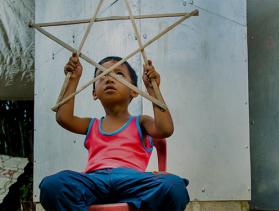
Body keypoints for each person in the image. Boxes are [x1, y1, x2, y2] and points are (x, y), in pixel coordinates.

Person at [39, 53, 190, 211]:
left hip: (132, 181)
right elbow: (64, 118)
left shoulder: (141, 122)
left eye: (119, 74)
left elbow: (165, 129)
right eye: (102, 75)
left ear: (134, 91)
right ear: (94, 93)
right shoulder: (92, 125)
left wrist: (153, 89)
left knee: (174, 186)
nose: (109, 79)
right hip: (94, 181)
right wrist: (72, 79)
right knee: (52, 185)